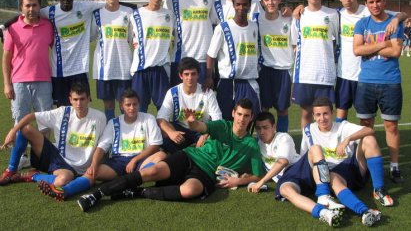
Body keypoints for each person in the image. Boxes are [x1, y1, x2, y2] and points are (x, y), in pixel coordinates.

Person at [77, 98, 264, 212]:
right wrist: (191, 122)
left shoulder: (251, 145)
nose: (241, 119)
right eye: (239, 114)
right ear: (233, 113)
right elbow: (201, 126)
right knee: (151, 172)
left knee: (189, 191)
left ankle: (137, 192)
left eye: (246, 116)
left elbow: (258, 175)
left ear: (251, 118)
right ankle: (96, 195)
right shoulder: (223, 125)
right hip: (190, 157)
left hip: (206, 173)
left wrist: (237, 181)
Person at [36, 89, 163, 201]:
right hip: (119, 162)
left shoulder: (148, 118)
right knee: (93, 172)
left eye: (135, 104)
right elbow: (101, 147)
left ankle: (133, 179)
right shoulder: (114, 123)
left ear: (139, 104)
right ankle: (65, 191)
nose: (132, 108)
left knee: (161, 155)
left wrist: (136, 159)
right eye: (128, 105)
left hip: (141, 160)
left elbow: (155, 145)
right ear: (121, 106)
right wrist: (94, 165)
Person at [292, 97, 393, 226]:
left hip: (353, 168)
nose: (322, 118)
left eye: (325, 113)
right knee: (333, 176)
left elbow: (369, 130)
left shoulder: (342, 126)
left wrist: (348, 139)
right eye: (318, 114)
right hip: (332, 177)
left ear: (332, 113)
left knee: (369, 139)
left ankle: (378, 189)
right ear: (313, 115)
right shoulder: (308, 130)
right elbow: (305, 157)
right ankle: (365, 211)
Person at [0, 83, 106, 188]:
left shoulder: (99, 117)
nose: (79, 103)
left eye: (82, 99)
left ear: (88, 99)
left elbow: (101, 145)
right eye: (75, 99)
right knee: (25, 129)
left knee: (61, 181)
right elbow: (31, 116)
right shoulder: (62, 112)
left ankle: (34, 176)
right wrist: (13, 131)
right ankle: (11, 170)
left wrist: (94, 165)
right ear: (70, 100)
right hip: (57, 157)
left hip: (77, 168)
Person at [334, 0, 406, 123]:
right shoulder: (337, 15)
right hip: (345, 72)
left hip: (365, 74)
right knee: (341, 114)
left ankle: (366, 144)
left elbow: (402, 14)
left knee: (367, 120)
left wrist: (396, 20)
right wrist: (298, 9)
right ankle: (341, 145)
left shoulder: (369, 9)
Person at [353, 0, 404, 183]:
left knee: (391, 126)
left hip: (390, 82)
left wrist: (369, 48)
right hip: (366, 82)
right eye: (371, 2)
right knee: (366, 126)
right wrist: (384, 43)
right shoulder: (362, 24)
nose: (375, 5)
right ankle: (365, 165)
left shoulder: (394, 22)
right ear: (366, 3)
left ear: (384, 1)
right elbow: (357, 50)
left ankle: (394, 166)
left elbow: (396, 52)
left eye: (378, 1)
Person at [2, 0, 54, 172]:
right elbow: (6, 58)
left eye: (34, 5)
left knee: (45, 122)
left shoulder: (48, 26)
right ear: (21, 8)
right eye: (27, 5)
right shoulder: (13, 29)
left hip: (44, 81)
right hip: (19, 83)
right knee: (20, 122)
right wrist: (7, 84)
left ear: (40, 6)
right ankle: (22, 158)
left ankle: (42, 158)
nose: (31, 9)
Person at [40, 0, 103, 107]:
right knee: (63, 111)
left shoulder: (84, 7)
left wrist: (139, 8)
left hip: (80, 69)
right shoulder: (50, 12)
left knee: (82, 109)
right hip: (59, 71)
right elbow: (25, 15)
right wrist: (4, 27)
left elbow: (112, 4)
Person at [205, 0, 261, 120]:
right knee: (225, 119)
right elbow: (211, 55)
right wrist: (209, 76)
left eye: (245, 4)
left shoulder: (254, 26)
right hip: (228, 82)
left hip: (249, 81)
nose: (241, 7)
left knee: (249, 119)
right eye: (238, 4)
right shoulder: (223, 27)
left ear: (250, 5)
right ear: (233, 5)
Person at [291, 0, 339, 129]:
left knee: (324, 117)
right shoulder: (298, 16)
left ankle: (323, 147)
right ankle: (307, 149)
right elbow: (294, 43)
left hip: (325, 75)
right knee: (306, 114)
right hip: (305, 74)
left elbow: (338, 41)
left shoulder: (332, 14)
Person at [164, 0, 217, 86]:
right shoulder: (172, 0)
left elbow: (216, 24)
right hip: (181, 58)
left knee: (203, 100)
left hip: (204, 58)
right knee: (181, 101)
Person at [157, 57, 222, 153]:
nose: (190, 78)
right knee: (162, 132)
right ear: (180, 76)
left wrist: (206, 135)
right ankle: (183, 154)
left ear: (198, 75)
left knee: (214, 141)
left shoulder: (208, 93)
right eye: (186, 74)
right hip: (181, 130)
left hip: (202, 130)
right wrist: (171, 133)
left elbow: (218, 120)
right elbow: (160, 118)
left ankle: (190, 154)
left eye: (193, 74)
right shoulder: (173, 92)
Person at [92, 0, 133, 122]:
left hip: (124, 68)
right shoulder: (97, 14)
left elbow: (132, 39)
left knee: (126, 105)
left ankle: (125, 135)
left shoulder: (128, 13)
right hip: (105, 69)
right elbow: (91, 36)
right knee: (108, 105)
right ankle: (111, 134)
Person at [130, 0, 174, 113]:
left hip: (160, 69)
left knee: (165, 110)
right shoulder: (136, 15)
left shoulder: (169, 15)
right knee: (139, 110)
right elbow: (128, 38)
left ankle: (163, 135)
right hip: (140, 69)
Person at [255, 0, 293, 132]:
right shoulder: (257, 20)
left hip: (283, 71)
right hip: (264, 70)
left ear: (279, 0)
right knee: (264, 109)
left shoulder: (288, 19)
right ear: (262, 2)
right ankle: (262, 141)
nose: (270, 2)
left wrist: (297, 9)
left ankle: (283, 140)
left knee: (282, 110)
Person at [247, 111, 300, 193]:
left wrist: (261, 182)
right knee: (286, 191)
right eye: (258, 128)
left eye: (265, 127)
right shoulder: (259, 144)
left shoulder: (283, 138)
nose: (261, 132)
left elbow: (282, 162)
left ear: (274, 127)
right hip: (288, 180)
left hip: (299, 171)